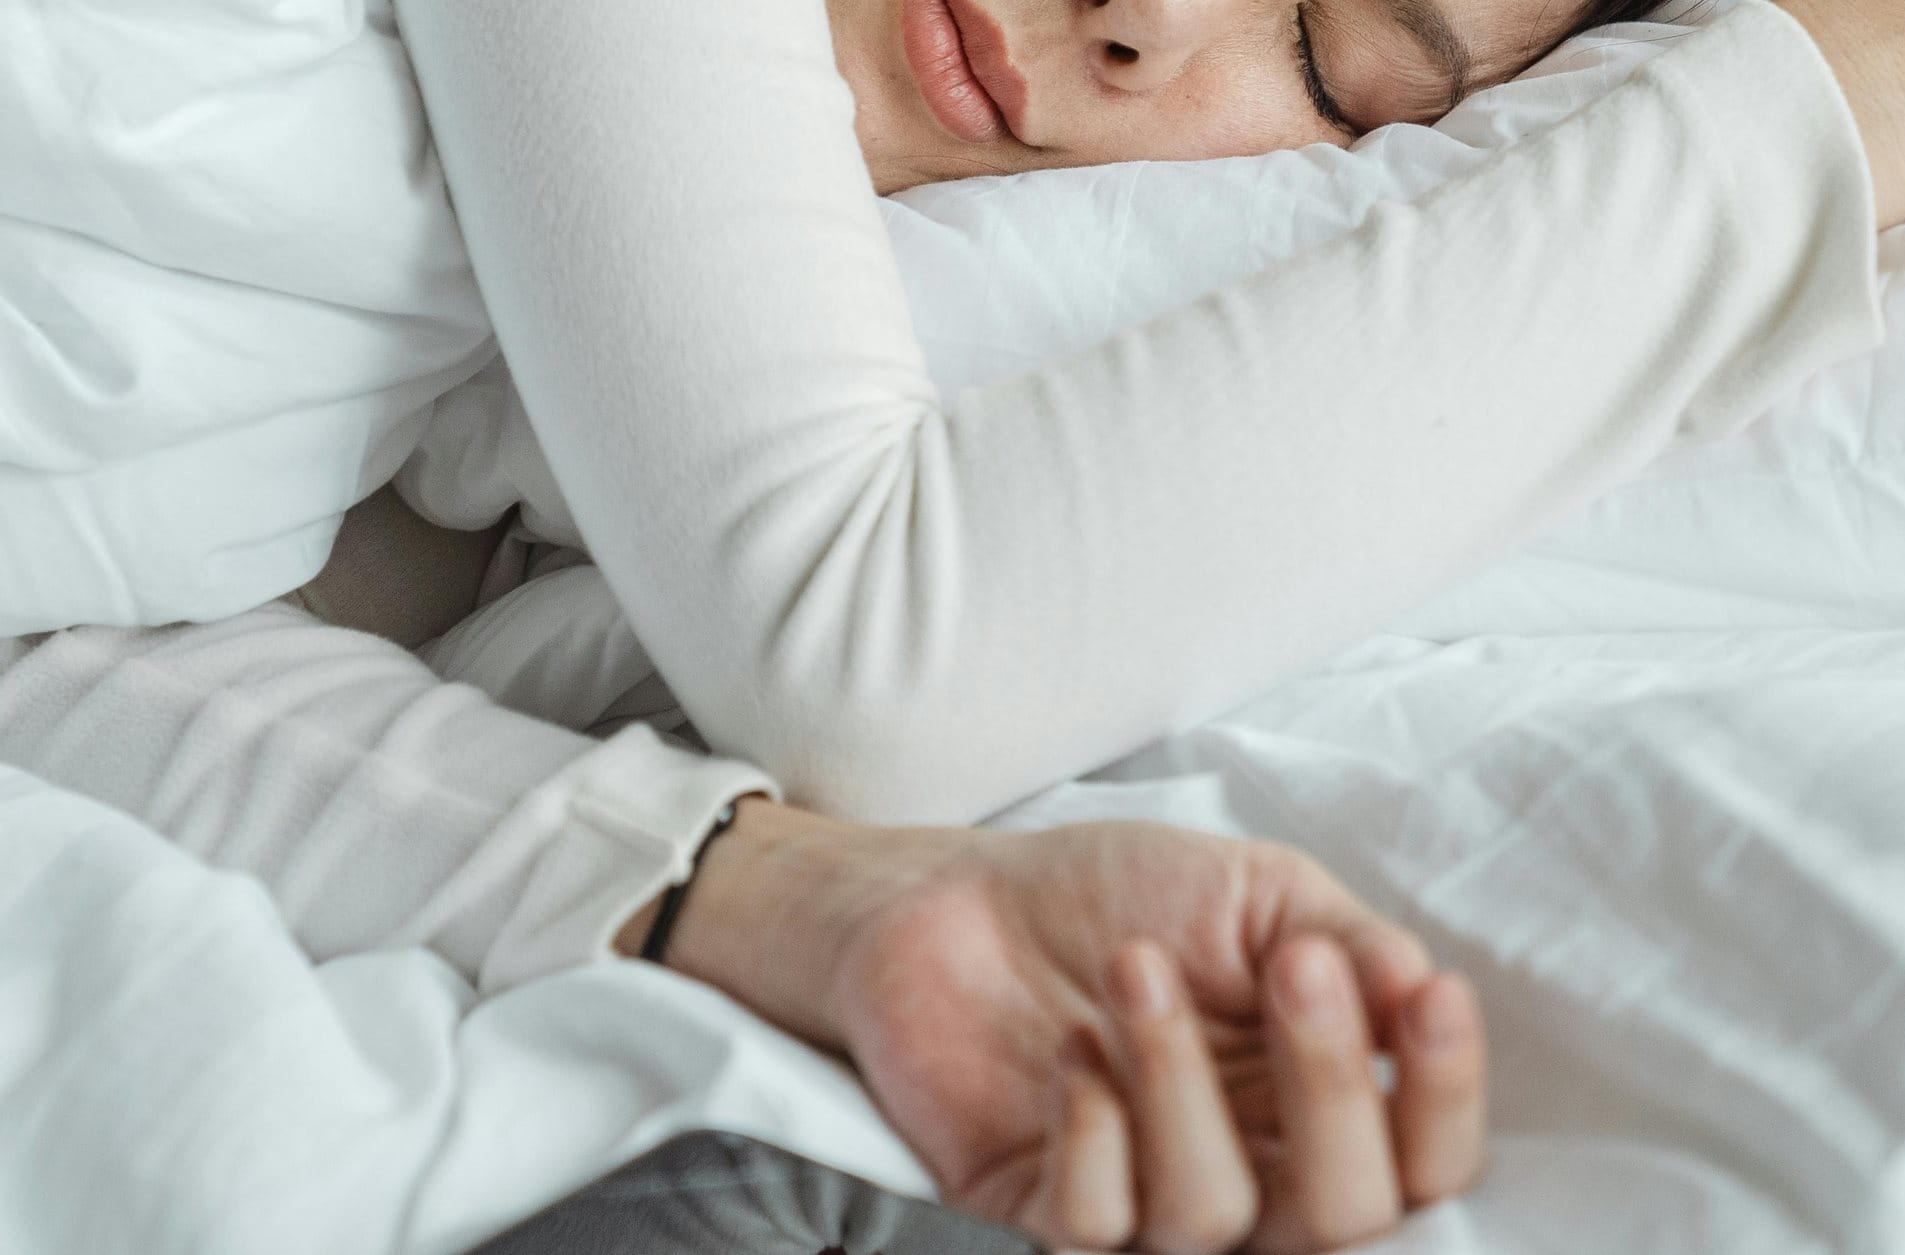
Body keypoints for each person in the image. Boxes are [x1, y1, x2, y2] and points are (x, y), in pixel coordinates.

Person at [0, 2, 1901, 1253]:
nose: (1148, 16)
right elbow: (871, 654)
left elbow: (57, 661)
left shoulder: (439, 417)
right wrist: (1818, 98)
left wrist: (779, 902)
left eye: (1328, 63)